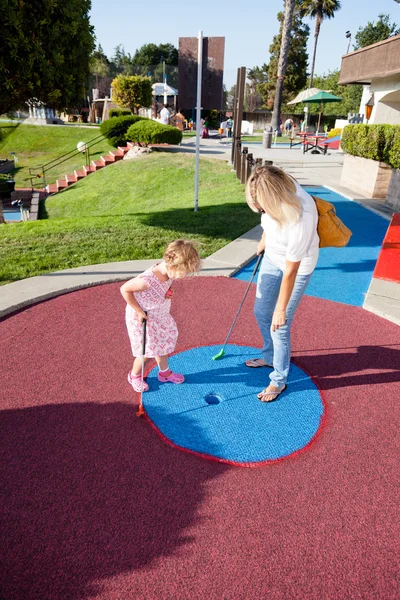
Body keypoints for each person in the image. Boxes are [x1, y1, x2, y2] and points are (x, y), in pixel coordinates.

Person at [244, 165, 319, 402]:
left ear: (275, 199)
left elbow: (292, 270)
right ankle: (269, 355)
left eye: (263, 205)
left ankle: (279, 379)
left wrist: (281, 309)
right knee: (261, 311)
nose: (260, 209)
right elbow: (268, 218)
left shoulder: (302, 216)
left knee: (279, 324)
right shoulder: (276, 188)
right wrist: (264, 239)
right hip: (273, 257)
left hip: (296, 267)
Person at [120, 240, 202, 392]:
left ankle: (164, 373)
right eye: (182, 273)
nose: (183, 277)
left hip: (159, 315)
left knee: (162, 345)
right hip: (143, 318)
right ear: (171, 265)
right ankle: (134, 375)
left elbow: (163, 286)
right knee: (145, 352)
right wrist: (138, 311)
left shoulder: (167, 273)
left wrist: (168, 291)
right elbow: (124, 290)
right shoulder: (146, 281)